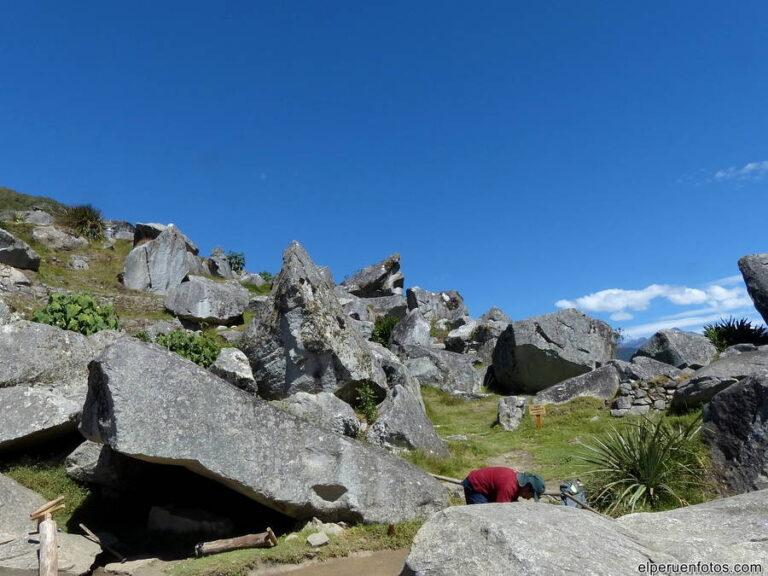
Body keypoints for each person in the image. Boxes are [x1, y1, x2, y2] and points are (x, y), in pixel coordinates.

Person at [461, 467, 545, 504]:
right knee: (481, 516)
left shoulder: (518, 482)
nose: (529, 498)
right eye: (531, 495)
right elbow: (501, 511)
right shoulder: (509, 487)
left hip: (487, 488)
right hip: (475, 486)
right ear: (527, 487)